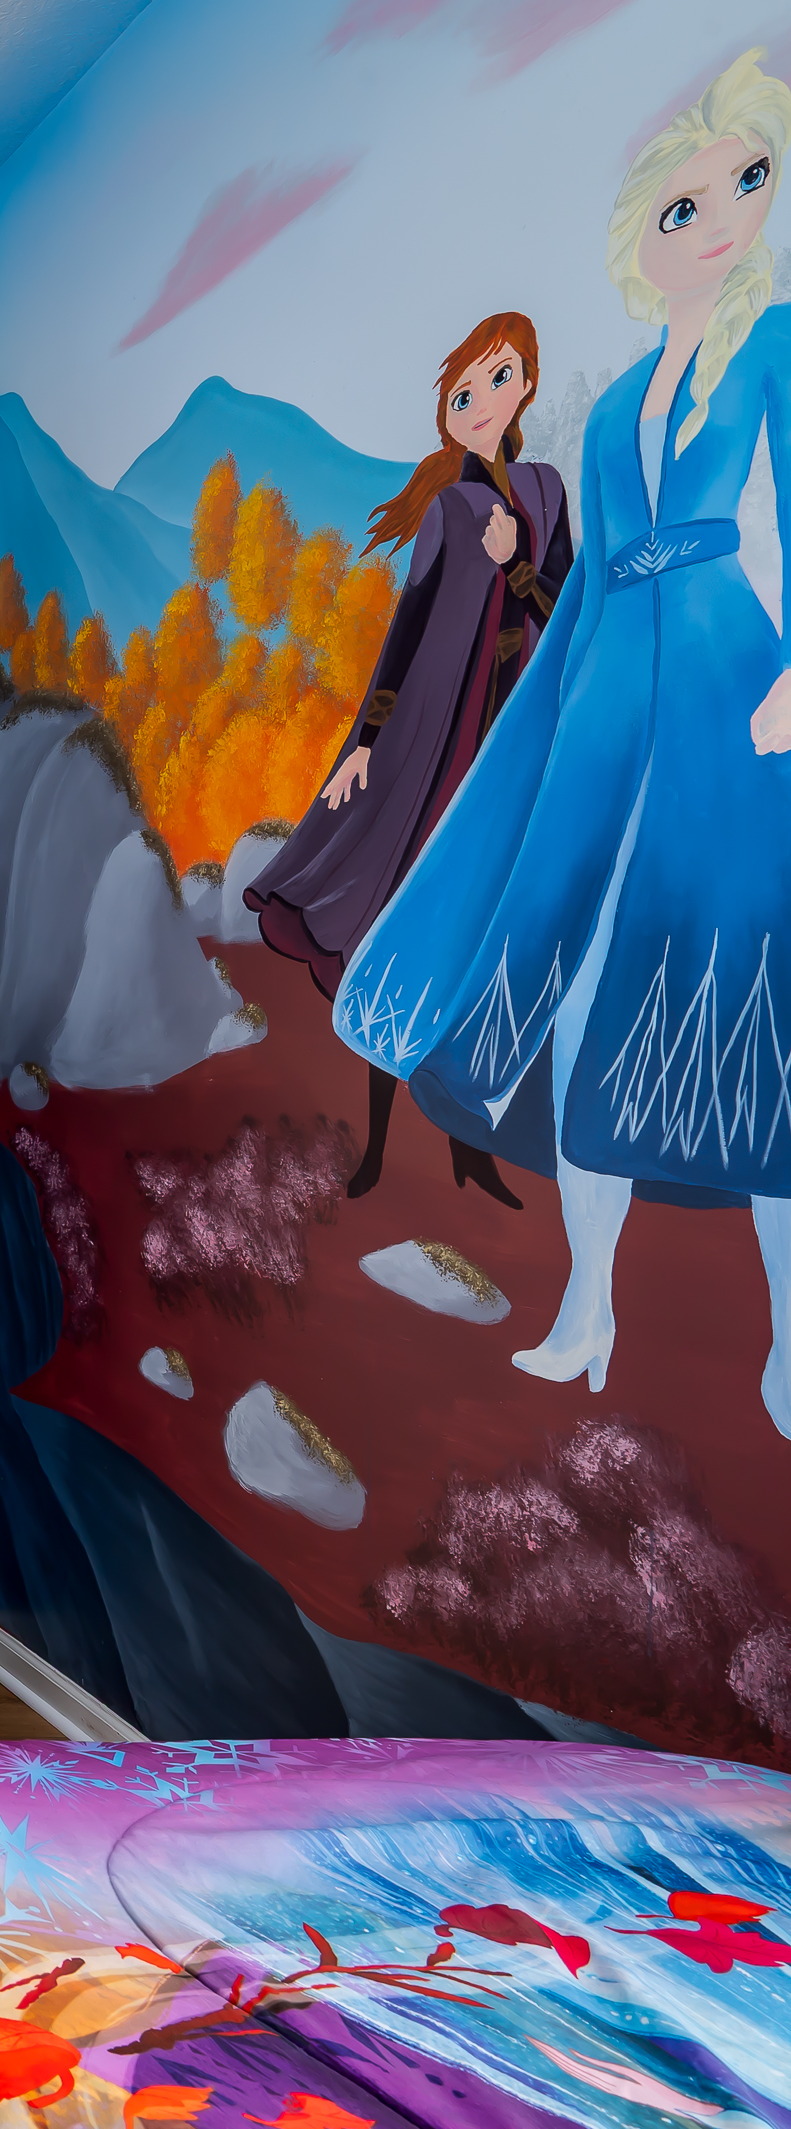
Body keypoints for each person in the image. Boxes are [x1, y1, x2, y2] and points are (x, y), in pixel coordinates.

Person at [334, 48, 791, 1428]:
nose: (715, 221)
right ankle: (588, 1303)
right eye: (682, 204)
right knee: (582, 1001)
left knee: (751, 1007)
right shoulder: (611, 408)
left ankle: (786, 1341)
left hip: (726, 689)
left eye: (747, 184)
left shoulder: (772, 348)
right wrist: (534, 732)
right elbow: (585, 583)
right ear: (640, 238)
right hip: (606, 703)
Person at [244, 312, 570, 1206]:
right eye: (463, 393)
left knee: (483, 932)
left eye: (497, 379)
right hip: (439, 748)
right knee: (404, 920)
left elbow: (563, 616)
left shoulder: (544, 492)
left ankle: (472, 1146)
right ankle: (380, 1141)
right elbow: (408, 629)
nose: (481, 402)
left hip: (512, 747)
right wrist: (365, 743)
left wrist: (519, 565)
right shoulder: (450, 510)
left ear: (526, 383)